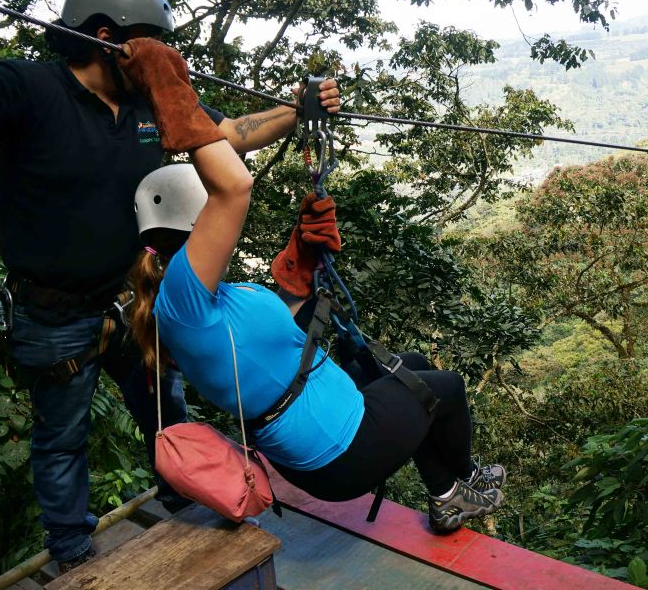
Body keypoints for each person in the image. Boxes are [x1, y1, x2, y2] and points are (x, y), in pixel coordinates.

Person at [0, 0, 340, 571]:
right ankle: (74, 555)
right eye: (153, 40)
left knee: (165, 409)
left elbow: (228, 134)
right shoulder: (31, 89)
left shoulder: (152, 101)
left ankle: (185, 496)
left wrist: (299, 107)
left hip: (131, 301)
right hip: (55, 313)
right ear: (108, 35)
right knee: (62, 438)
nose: (164, 56)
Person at [121, 38, 505, 534]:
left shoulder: (201, 297)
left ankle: (444, 495)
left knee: (408, 367)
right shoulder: (181, 297)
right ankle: (459, 484)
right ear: (197, 215)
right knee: (444, 390)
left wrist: (302, 252)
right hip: (337, 451)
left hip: (324, 430)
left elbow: (283, 324)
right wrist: (168, 88)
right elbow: (234, 186)